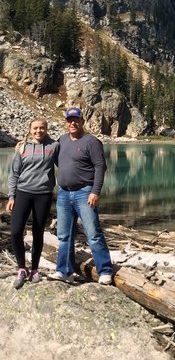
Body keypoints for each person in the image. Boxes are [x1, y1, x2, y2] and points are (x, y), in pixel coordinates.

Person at [52, 107, 113, 285]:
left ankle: (105, 271)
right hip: (64, 193)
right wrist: (23, 145)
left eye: (76, 120)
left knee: (93, 233)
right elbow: (53, 156)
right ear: (66, 122)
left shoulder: (91, 141)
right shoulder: (62, 140)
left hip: (84, 192)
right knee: (64, 235)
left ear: (82, 121)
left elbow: (100, 167)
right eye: (70, 120)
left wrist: (95, 191)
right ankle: (64, 271)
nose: (73, 123)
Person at [7, 118, 59, 289]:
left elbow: (65, 166)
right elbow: (14, 174)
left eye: (42, 128)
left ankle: (34, 269)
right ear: (30, 130)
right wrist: (11, 196)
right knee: (15, 231)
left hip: (43, 194)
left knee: (38, 232)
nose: (39, 131)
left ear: (46, 129)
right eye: (35, 128)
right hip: (23, 193)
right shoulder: (22, 148)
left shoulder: (54, 146)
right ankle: (21, 268)